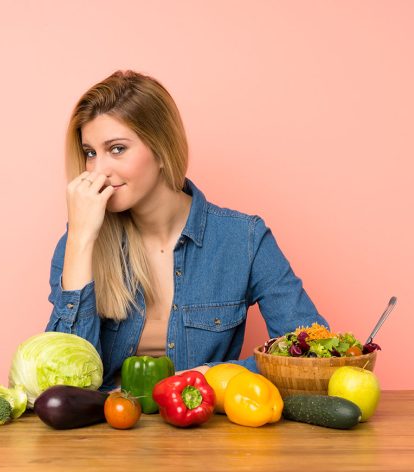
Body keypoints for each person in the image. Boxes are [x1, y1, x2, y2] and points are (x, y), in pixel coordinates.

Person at [45, 70, 328, 392]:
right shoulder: (78, 244)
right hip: (102, 432)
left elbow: (312, 354)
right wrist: (81, 240)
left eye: (118, 149)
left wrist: (211, 376)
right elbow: (63, 383)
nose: (98, 171)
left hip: (200, 430)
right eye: (90, 153)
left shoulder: (243, 240)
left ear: (162, 148)